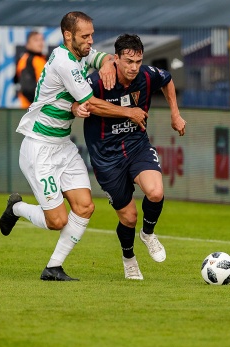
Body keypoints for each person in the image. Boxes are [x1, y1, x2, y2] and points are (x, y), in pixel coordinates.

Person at [0, 12, 148, 281]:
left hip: (63, 146)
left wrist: (105, 63)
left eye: (92, 35)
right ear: (68, 36)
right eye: (85, 36)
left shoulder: (80, 52)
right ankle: (16, 208)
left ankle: (53, 268)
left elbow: (101, 57)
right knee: (57, 221)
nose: (91, 41)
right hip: (39, 147)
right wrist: (130, 113)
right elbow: (91, 104)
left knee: (85, 207)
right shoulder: (64, 62)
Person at [79, 33, 186, 280]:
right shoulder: (98, 81)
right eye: (128, 61)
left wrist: (175, 114)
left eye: (138, 61)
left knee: (156, 192)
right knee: (129, 217)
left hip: (136, 145)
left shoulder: (147, 76)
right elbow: (89, 104)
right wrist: (129, 113)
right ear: (115, 59)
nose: (134, 67)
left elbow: (167, 80)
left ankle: (148, 234)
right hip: (106, 156)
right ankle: (129, 258)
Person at [14, 31, 47, 108]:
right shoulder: (26, 60)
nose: (40, 43)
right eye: (36, 40)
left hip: (42, 107)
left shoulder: (43, 58)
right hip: (31, 109)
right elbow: (27, 89)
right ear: (28, 44)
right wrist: (41, 103)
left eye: (41, 40)